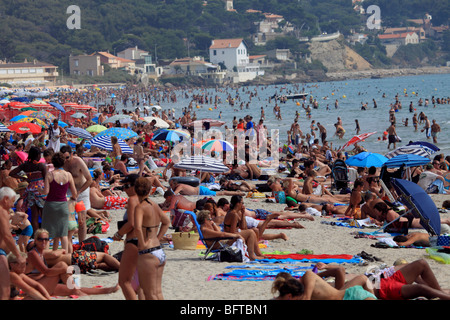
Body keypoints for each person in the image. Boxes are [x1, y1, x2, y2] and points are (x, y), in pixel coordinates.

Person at [25, 229, 119, 297]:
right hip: (74, 259)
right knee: (103, 256)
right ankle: (122, 268)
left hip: (72, 263)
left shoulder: (40, 254)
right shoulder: (35, 254)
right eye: (41, 239)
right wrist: (63, 262)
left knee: (96, 266)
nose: (44, 242)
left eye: (46, 239)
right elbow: (48, 267)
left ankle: (108, 289)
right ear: (35, 241)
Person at [134, 177, 170, 300]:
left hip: (147, 253)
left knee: (148, 293)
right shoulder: (154, 205)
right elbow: (166, 222)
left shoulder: (140, 207)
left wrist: (143, 243)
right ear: (149, 190)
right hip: (159, 250)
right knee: (158, 293)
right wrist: (158, 237)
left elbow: (138, 228)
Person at [112, 174, 143, 300]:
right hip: (146, 242)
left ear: (134, 186)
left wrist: (118, 234)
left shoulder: (133, 200)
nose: (124, 189)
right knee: (141, 284)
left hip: (134, 242)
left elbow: (132, 223)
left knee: (124, 282)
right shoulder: (146, 200)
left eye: (126, 186)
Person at [40, 152, 77, 252]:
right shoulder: (68, 175)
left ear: (53, 162)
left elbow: (46, 192)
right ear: (63, 162)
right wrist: (72, 199)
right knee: (63, 234)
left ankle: (46, 257)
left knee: (47, 234)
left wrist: (40, 190)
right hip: (63, 205)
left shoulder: (50, 174)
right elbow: (74, 193)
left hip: (50, 205)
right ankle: (65, 257)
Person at [9, 146, 47, 235]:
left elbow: (12, 173)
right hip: (40, 191)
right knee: (44, 215)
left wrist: (23, 178)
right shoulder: (40, 165)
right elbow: (46, 179)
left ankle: (36, 235)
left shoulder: (25, 165)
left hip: (30, 191)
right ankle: (45, 235)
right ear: (37, 155)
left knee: (34, 215)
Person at [372, 259, 450, 300]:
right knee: (421, 288)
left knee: (421, 263)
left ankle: (439, 294)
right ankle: (442, 295)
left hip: (386, 280)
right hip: (384, 289)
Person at [61, 145, 93, 242]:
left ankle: (82, 243)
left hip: (81, 191)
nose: (65, 160)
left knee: (81, 220)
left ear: (71, 154)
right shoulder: (62, 163)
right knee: (67, 219)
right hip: (69, 191)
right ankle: (69, 243)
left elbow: (89, 180)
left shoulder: (78, 161)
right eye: (63, 158)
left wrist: (79, 192)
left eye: (67, 157)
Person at [0, 187, 27, 300]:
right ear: (5, 199)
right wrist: (18, 255)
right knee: (4, 291)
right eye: (12, 201)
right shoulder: (1, 211)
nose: (12, 205)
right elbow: (6, 236)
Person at [223, 195, 265, 261]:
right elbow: (232, 232)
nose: (243, 204)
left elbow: (244, 227)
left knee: (254, 230)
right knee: (251, 232)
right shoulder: (233, 214)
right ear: (238, 203)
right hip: (229, 238)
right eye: (242, 203)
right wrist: (240, 235)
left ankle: (258, 253)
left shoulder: (237, 213)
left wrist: (243, 214)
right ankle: (252, 256)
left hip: (234, 234)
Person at [169, 179, 244, 197]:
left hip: (201, 191)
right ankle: (237, 193)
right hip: (200, 190)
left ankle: (238, 193)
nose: (170, 186)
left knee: (221, 193)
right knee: (221, 193)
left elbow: (173, 195)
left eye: (171, 185)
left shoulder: (180, 186)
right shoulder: (180, 186)